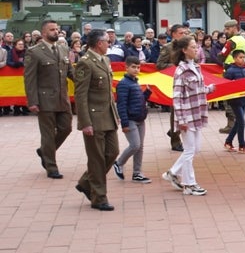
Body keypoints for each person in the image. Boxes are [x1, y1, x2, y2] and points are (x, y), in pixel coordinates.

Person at [162, 36, 215, 196]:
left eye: (196, 46)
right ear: (184, 50)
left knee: (194, 148)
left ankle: (173, 173)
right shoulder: (181, 70)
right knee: (190, 150)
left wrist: (208, 89)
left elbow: (196, 88)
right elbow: (177, 98)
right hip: (187, 115)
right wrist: (182, 120)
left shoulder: (196, 67)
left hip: (197, 112)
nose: (196, 49)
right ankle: (189, 184)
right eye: (193, 47)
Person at [74, 29, 120, 211]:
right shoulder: (85, 63)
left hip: (108, 115)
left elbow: (107, 92)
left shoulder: (105, 60)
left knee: (112, 152)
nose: (109, 44)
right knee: (97, 159)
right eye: (107, 42)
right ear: (99, 43)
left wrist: (115, 114)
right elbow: (81, 95)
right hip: (93, 118)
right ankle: (99, 197)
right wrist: (85, 122)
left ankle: (87, 182)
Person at [24, 19, 74, 178]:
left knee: (66, 128)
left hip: (62, 98)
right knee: (47, 134)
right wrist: (32, 101)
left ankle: (45, 151)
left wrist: (87, 81)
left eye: (57, 29)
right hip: (45, 100)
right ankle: (51, 167)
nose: (56, 32)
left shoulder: (63, 49)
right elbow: (30, 79)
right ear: (44, 33)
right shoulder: (34, 52)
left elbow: (70, 72)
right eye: (52, 29)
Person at [113, 56, 153, 183]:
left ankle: (137, 173)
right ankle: (119, 163)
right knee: (135, 145)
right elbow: (121, 105)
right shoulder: (123, 84)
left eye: (138, 67)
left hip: (140, 119)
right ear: (126, 67)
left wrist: (146, 93)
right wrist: (124, 124)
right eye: (133, 67)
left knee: (140, 147)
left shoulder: (135, 81)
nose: (136, 69)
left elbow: (138, 100)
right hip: (130, 120)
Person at [156, 23, 190, 151]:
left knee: (186, 111)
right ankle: (175, 142)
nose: (184, 35)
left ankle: (173, 131)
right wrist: (176, 67)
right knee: (176, 112)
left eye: (185, 33)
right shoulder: (168, 48)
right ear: (174, 34)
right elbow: (159, 64)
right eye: (181, 33)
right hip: (174, 82)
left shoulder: (187, 46)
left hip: (186, 82)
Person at [223, 50, 245, 154]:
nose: (243, 59)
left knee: (238, 122)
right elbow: (225, 85)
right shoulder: (230, 71)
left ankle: (228, 141)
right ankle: (242, 145)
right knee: (242, 122)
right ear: (234, 58)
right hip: (234, 100)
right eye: (240, 57)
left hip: (244, 100)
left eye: (244, 57)